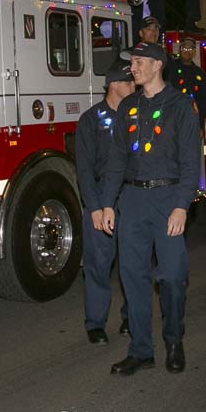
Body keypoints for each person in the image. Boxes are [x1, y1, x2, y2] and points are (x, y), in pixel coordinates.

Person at [100, 41, 200, 375]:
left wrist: (182, 206)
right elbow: (116, 160)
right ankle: (141, 349)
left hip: (168, 200)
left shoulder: (180, 106)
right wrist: (108, 203)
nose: (134, 67)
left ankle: (174, 339)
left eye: (140, 61)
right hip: (133, 200)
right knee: (133, 277)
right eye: (133, 62)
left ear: (158, 64)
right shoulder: (127, 107)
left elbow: (191, 162)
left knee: (172, 276)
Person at [75, 58, 135, 345]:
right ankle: (96, 323)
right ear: (113, 84)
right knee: (98, 264)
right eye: (128, 81)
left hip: (132, 198)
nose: (134, 85)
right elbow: (84, 169)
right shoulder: (90, 120)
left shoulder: (137, 117)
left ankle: (130, 317)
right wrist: (95, 208)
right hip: (99, 197)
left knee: (133, 263)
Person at [169, 37, 206, 124]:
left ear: (194, 52)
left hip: (192, 119)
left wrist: (200, 124)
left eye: (190, 48)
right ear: (180, 50)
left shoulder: (199, 72)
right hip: (174, 118)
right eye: (184, 48)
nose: (187, 51)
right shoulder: (171, 68)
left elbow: (203, 100)